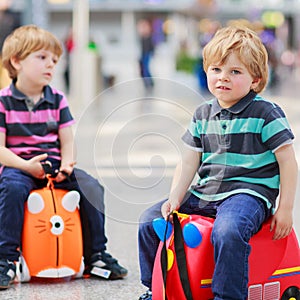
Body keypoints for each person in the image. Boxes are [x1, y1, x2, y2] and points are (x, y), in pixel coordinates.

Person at [138, 25, 297, 300]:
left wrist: (285, 208)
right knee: (149, 221)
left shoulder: (266, 113)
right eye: (216, 70)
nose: (223, 78)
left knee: (228, 230)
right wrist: (174, 198)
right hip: (206, 192)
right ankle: (158, 288)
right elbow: (189, 161)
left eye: (235, 72)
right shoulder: (202, 113)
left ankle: (227, 295)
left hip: (248, 193)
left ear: (255, 80)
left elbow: (288, 161)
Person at [0, 24, 127, 289]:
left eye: (55, 60)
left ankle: (96, 255)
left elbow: (67, 139)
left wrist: (67, 164)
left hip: (54, 165)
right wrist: (25, 165)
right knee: (11, 190)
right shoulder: (3, 101)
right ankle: (6, 260)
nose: (51, 65)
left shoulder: (57, 99)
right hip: (19, 166)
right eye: (42, 57)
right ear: (16, 61)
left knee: (91, 187)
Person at [137, 19, 155, 90]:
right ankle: (147, 82)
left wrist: (152, 53)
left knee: (146, 69)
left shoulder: (149, 37)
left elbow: (151, 47)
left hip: (147, 54)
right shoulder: (142, 37)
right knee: (143, 69)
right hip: (143, 54)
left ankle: (149, 82)